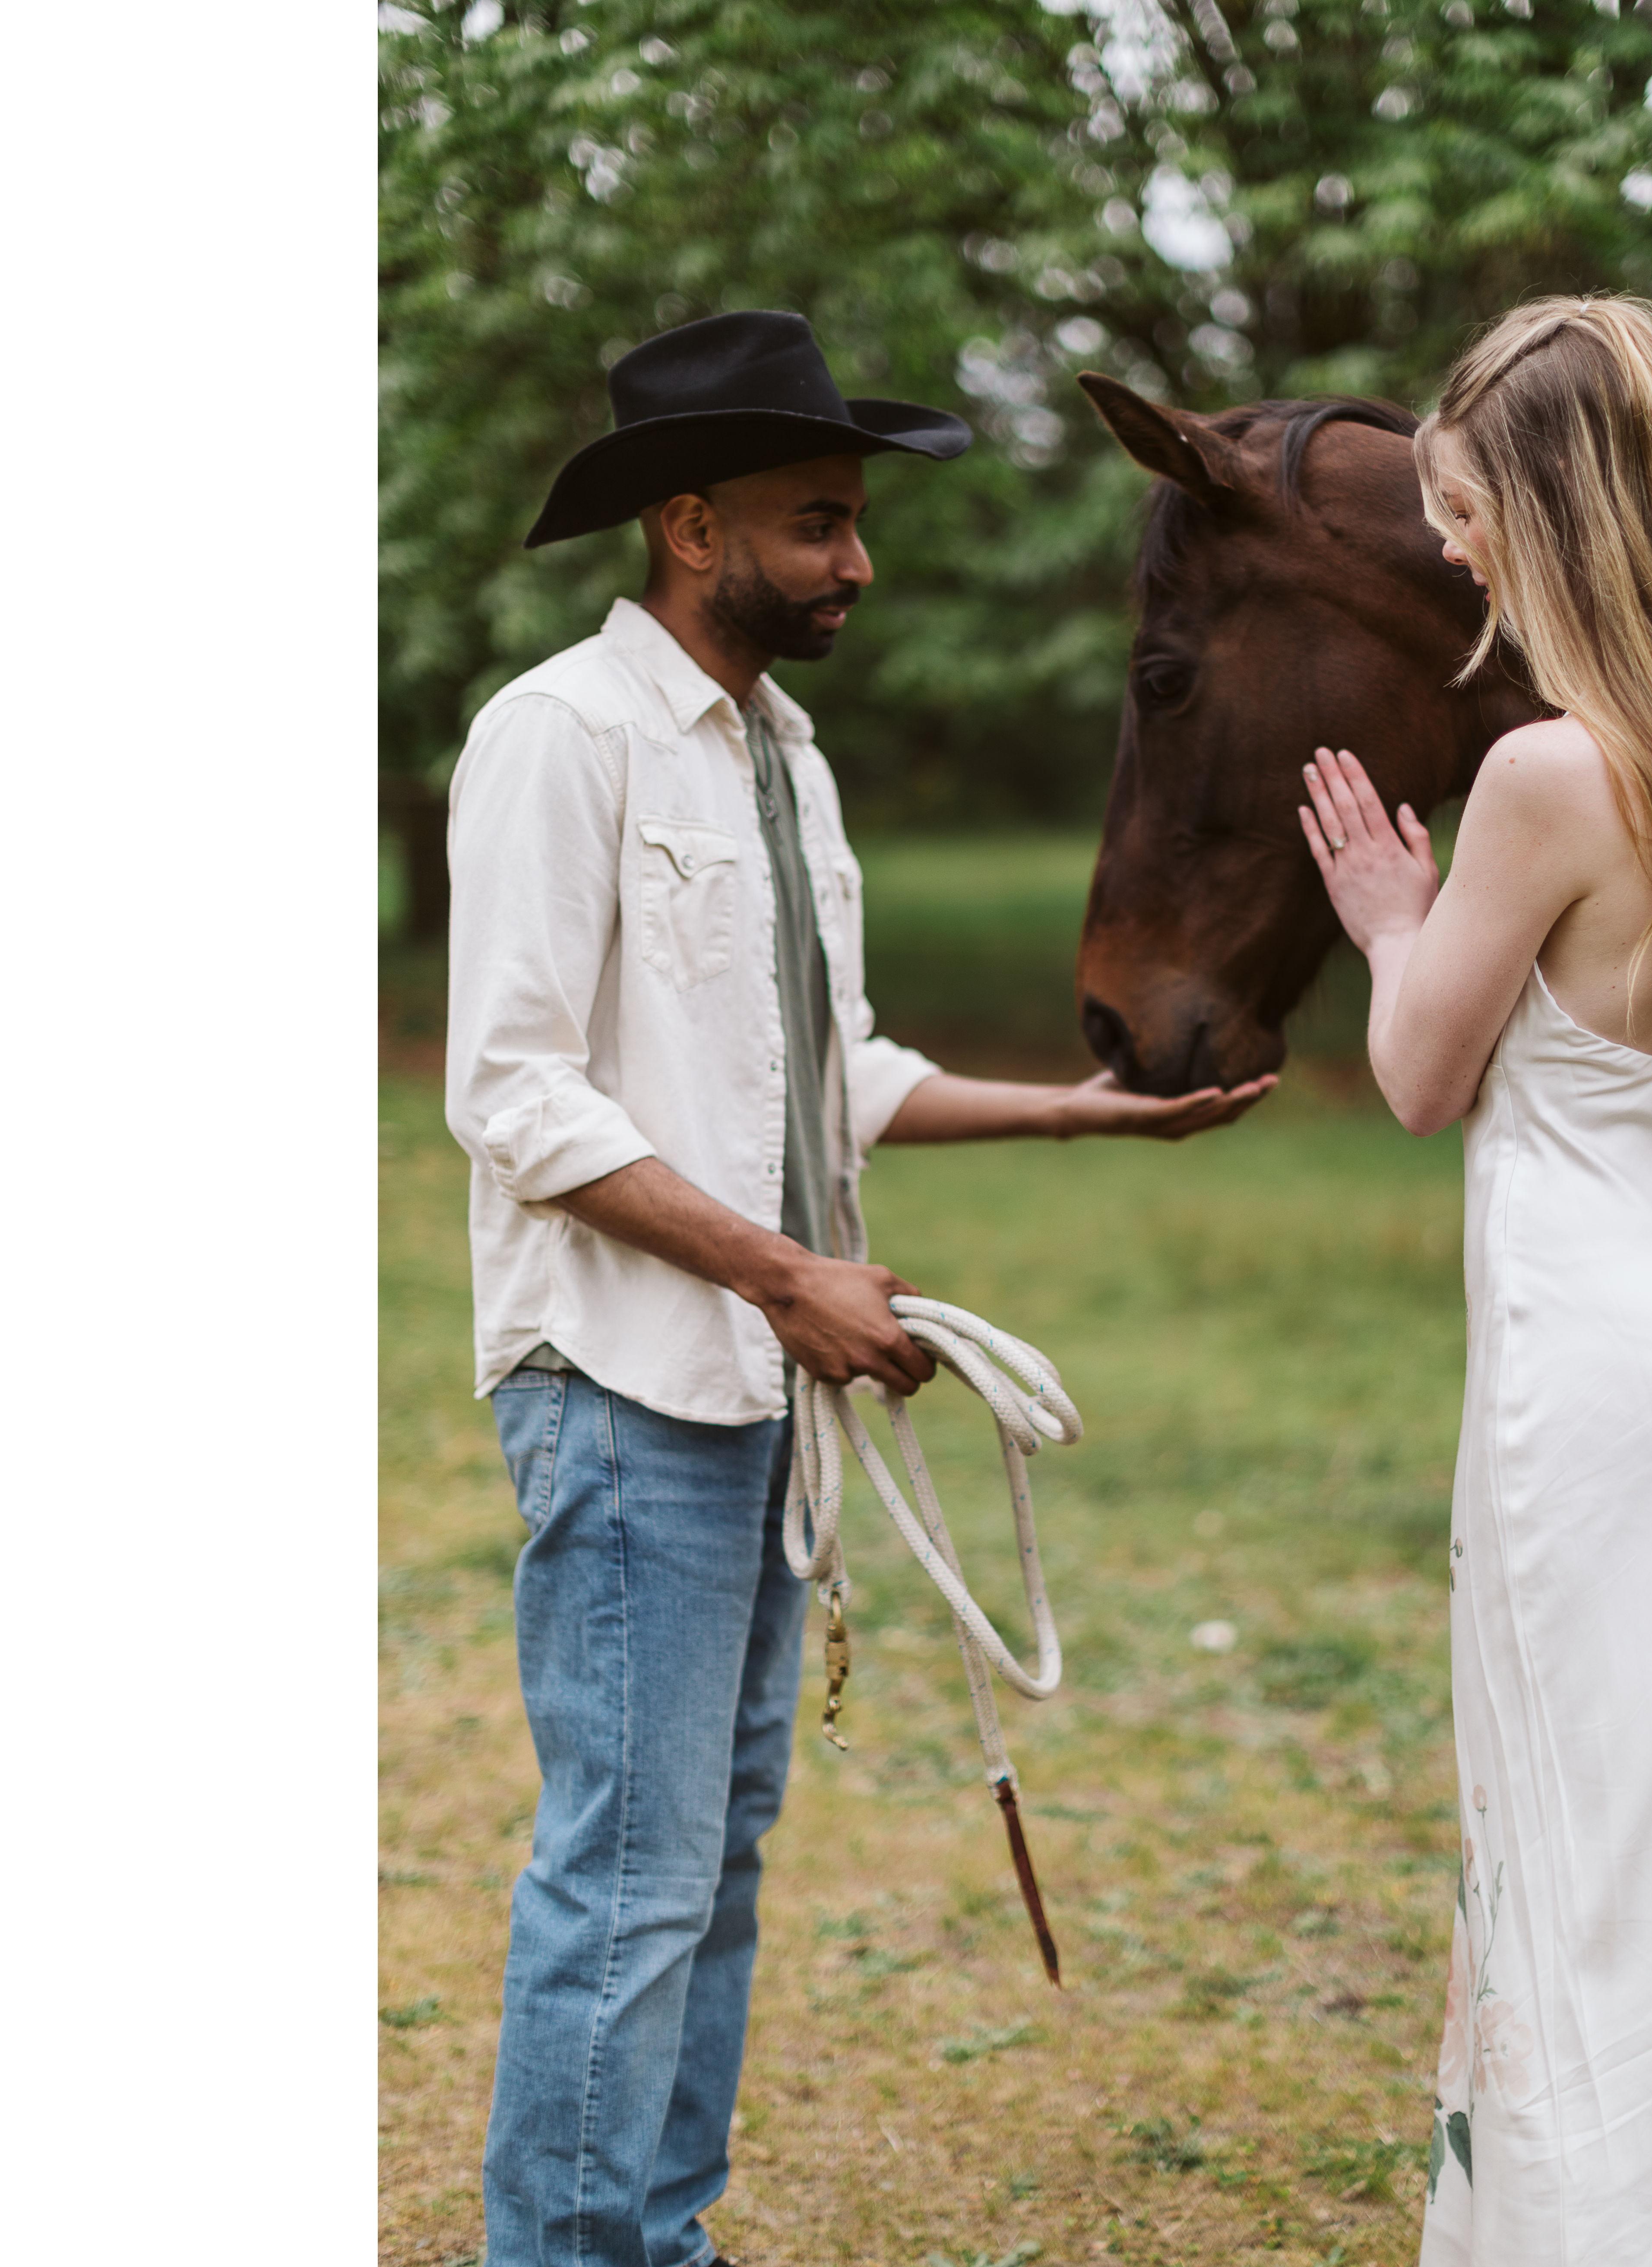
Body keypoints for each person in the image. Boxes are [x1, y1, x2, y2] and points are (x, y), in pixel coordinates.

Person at [445, 309, 1272, 2267]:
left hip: (757, 1382)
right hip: (628, 1376)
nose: (859, 563)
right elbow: (513, 1091)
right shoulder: (562, 735)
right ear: (690, 524)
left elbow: (827, 1071)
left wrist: (1085, 1113)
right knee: (629, 1873)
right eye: (818, 522)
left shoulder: (785, 763)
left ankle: (653, 2233)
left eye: (853, 521)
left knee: (710, 1858)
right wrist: (784, 1275)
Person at [1298, 295, 1652, 2264]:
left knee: (1587, 1834)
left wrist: (1388, 915)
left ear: (1552, 508)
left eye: (1464, 507)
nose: (1448, 545)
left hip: (1593, 1369)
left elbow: (1418, 1075)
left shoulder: (1548, 773)